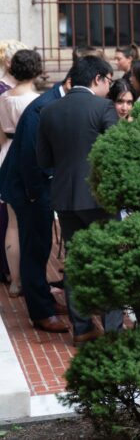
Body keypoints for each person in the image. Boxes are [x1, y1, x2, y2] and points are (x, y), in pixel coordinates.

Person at [36, 55, 122, 345]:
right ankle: (113, 329)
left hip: (63, 197)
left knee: (76, 261)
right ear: (97, 78)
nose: (110, 88)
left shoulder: (48, 110)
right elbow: (115, 154)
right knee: (110, 260)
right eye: (109, 82)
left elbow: (44, 159)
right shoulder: (104, 107)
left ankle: (83, 327)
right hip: (99, 197)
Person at [0, 68, 70, 334]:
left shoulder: (52, 102)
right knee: (34, 249)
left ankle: (44, 299)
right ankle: (41, 312)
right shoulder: (42, 109)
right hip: (29, 190)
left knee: (40, 248)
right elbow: (31, 158)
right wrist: (33, 194)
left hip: (36, 188)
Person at [0, 50, 43, 298]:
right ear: (36, 70)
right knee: (36, 224)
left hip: (6, 154)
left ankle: (15, 282)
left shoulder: (3, 97)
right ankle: (33, 280)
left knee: (13, 224)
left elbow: (1, 134)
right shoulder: (37, 100)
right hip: (29, 157)